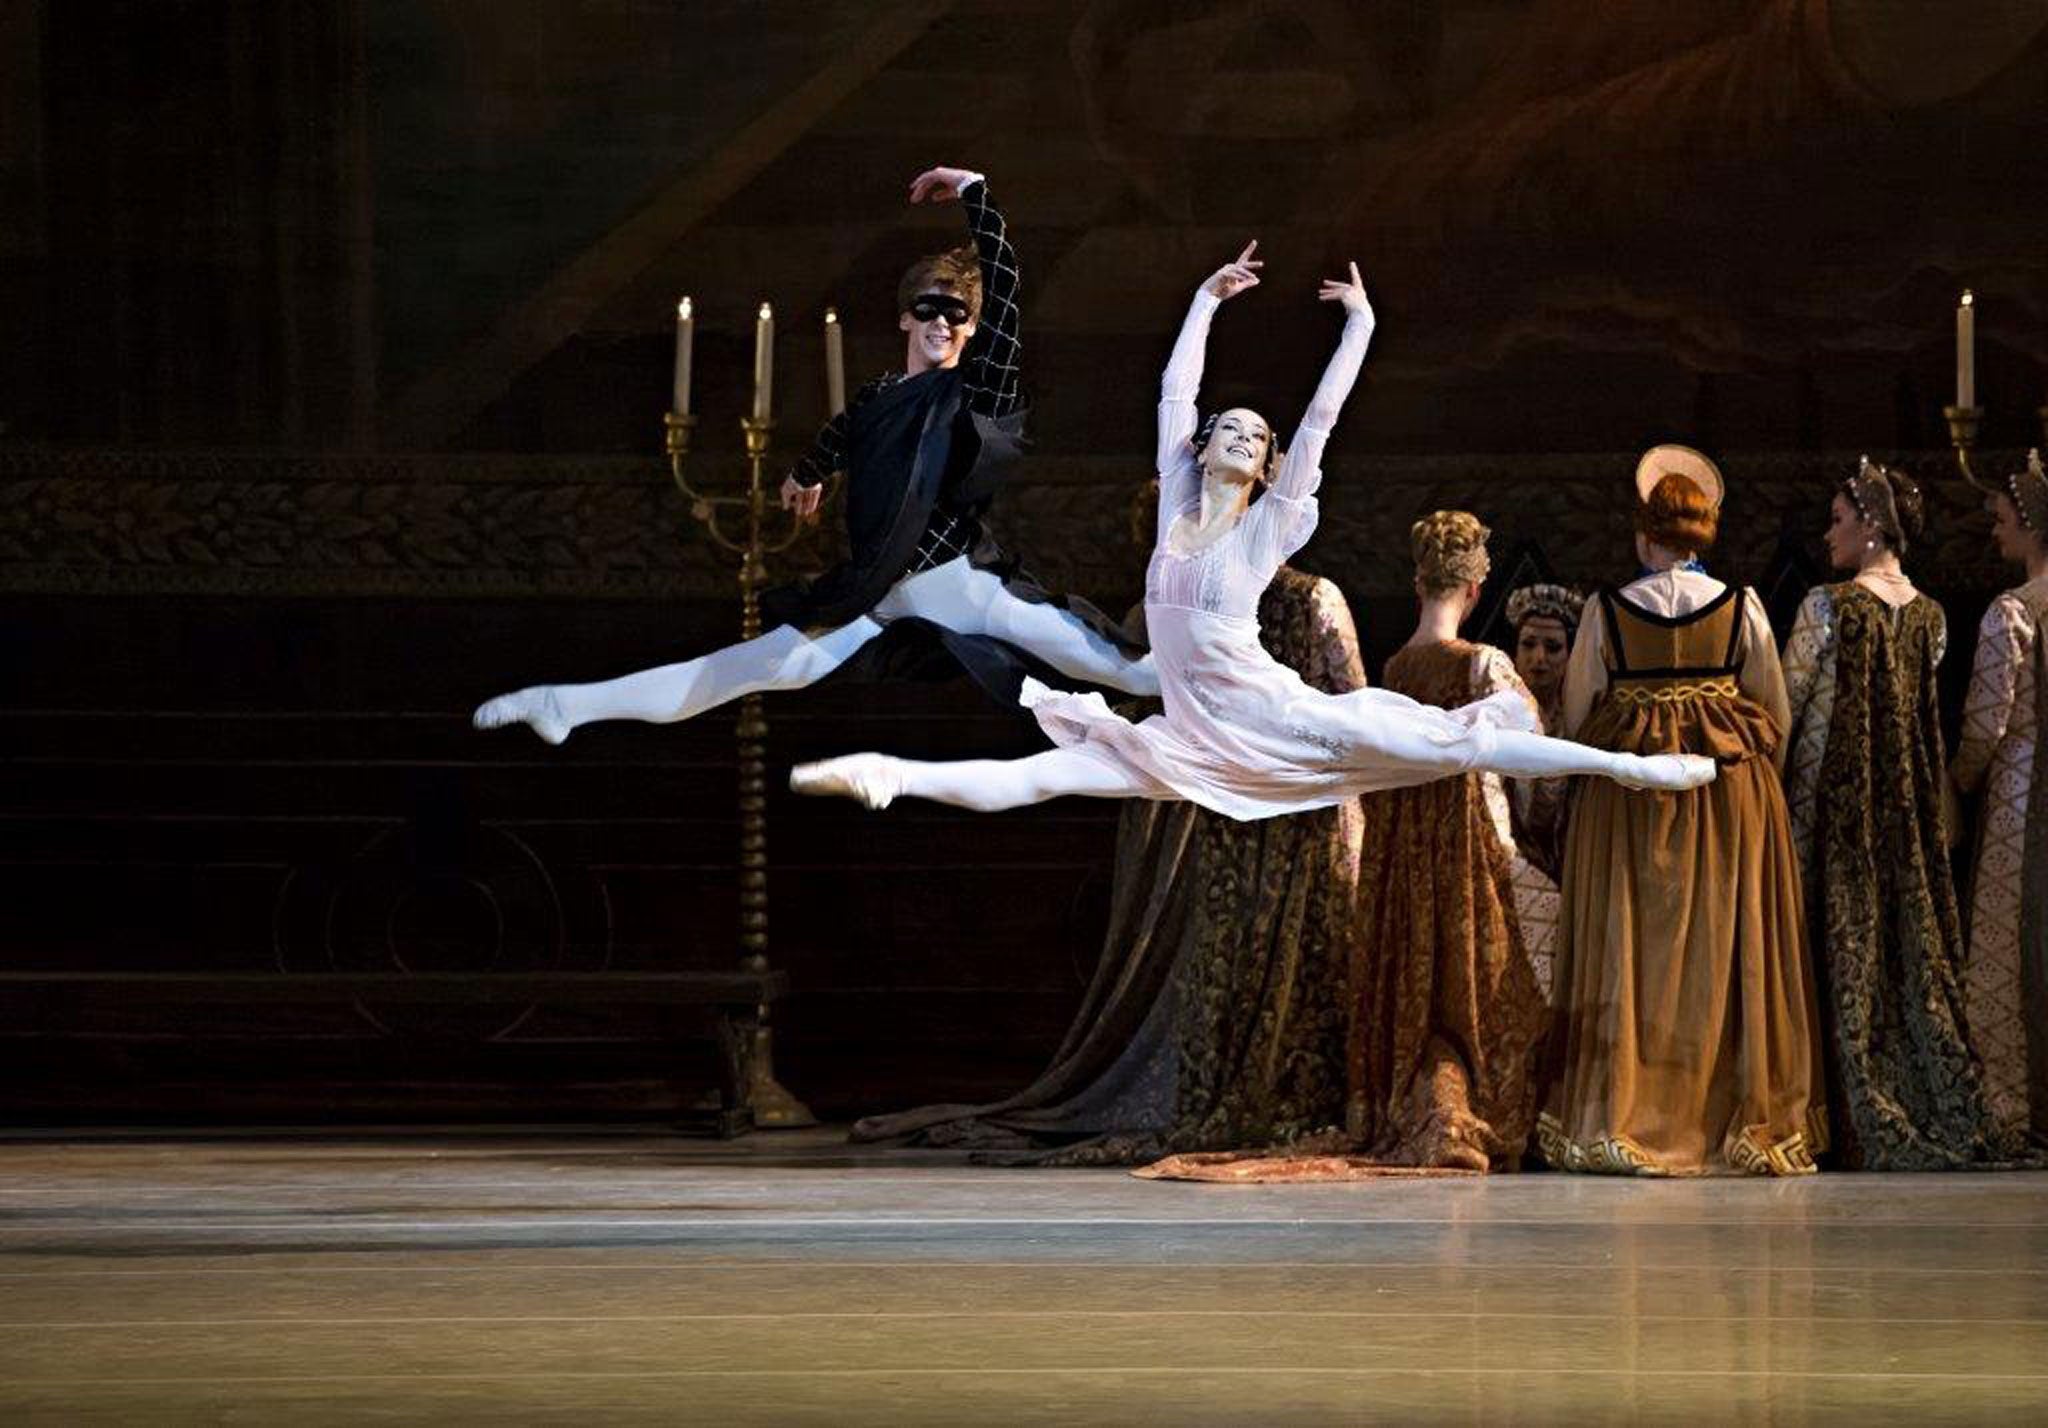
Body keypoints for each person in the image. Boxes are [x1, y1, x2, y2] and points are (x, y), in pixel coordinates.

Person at [790, 248, 1716, 816]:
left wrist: (1358, 328)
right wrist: (1204, 303)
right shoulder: (1178, 507)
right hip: (1193, 732)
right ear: (1203, 449)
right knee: (1051, 774)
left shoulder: (1269, 525)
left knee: (1455, 744)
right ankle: (887, 773)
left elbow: (1317, 421)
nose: (1235, 434)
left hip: (1274, 715)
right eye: (1224, 427)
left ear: (1266, 465)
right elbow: (1173, 396)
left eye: (1251, 434)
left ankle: (1620, 769)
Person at [472, 165, 1154, 745]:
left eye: (956, 315)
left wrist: (976, 191)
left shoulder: (973, 388)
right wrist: (805, 471)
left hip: (965, 585)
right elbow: (843, 434)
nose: (942, 323)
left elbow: (1005, 297)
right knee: (743, 668)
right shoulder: (879, 395)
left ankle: (1247, 694)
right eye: (929, 309)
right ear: (904, 318)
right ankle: (569, 704)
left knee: (1116, 667)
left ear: (970, 331)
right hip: (880, 596)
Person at [846, 567, 1368, 1165]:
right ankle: (1276, 1096)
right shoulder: (1299, 599)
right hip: (1285, 805)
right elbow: (1346, 703)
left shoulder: (1175, 602)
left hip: (1224, 806)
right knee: (1261, 952)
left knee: (1240, 951)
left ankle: (1248, 1091)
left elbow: (1134, 688)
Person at [1142, 512, 1547, 1183]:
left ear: (1419, 585)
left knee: (1420, 966)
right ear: (1476, 591)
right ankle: (1461, 1102)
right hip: (1461, 838)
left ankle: (1415, 1093)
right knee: (1490, 977)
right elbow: (1530, 744)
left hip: (1401, 847)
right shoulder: (1481, 663)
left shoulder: (1395, 667)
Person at [1539, 446, 1825, 1177]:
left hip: (1631, 804)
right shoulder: (1743, 608)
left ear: (1644, 535)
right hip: (1727, 798)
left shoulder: (1607, 612)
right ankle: (1731, 1109)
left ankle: (1628, 1108)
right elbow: (1774, 710)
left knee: (1633, 945)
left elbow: (1577, 716)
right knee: (1726, 950)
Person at [1781, 457, 2008, 1168]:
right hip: (1904, 814)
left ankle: (1833, 1101)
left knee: (1833, 935)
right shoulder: (1932, 619)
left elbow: (1784, 711)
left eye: (1840, 520)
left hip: (1836, 805)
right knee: (1899, 941)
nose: (1829, 534)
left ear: (1874, 526)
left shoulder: (1826, 607)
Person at [1954, 449, 2048, 1149]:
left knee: (2010, 946)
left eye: (2004, 518)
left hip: (2024, 790)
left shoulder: (2012, 612)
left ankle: (2015, 1108)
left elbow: (1989, 720)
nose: (1995, 530)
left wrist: (1956, 780)